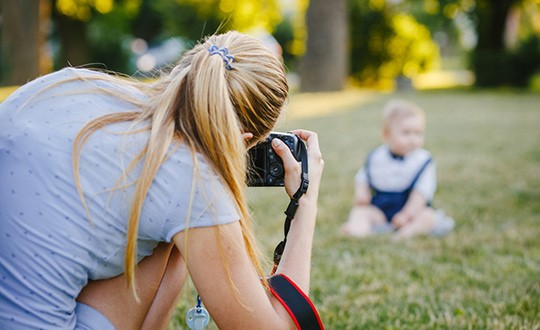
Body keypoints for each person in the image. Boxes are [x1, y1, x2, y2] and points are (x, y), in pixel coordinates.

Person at [0, 31, 324, 329]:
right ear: (243, 139)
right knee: (173, 238)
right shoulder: (190, 179)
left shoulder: (82, 84)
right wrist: (305, 202)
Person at [340, 99, 454, 239]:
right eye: (406, 133)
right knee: (360, 211)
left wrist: (406, 214)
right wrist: (362, 193)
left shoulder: (423, 160)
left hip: (411, 208)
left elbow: (422, 193)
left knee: (427, 217)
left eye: (418, 133)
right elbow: (363, 178)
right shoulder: (377, 157)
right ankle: (357, 230)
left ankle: (404, 234)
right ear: (386, 135)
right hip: (381, 209)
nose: (413, 139)